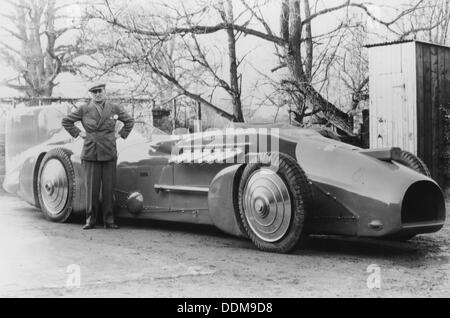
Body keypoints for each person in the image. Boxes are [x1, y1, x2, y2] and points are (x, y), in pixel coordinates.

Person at [61, 82, 134, 230]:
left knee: (108, 189)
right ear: (91, 94)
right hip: (91, 152)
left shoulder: (114, 108)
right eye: (94, 92)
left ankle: (109, 220)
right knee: (91, 189)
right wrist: (79, 133)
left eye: (99, 91)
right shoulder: (84, 109)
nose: (97, 94)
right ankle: (90, 220)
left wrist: (120, 135)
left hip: (109, 151)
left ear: (105, 91)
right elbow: (66, 121)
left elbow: (129, 121)